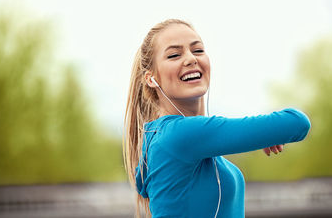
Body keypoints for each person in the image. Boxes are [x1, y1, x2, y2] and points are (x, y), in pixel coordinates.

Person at [123, 19, 311, 218]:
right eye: (174, 55)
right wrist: (268, 133)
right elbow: (297, 122)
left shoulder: (168, 138)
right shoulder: (180, 134)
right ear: (151, 78)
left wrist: (266, 134)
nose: (190, 59)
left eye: (197, 50)